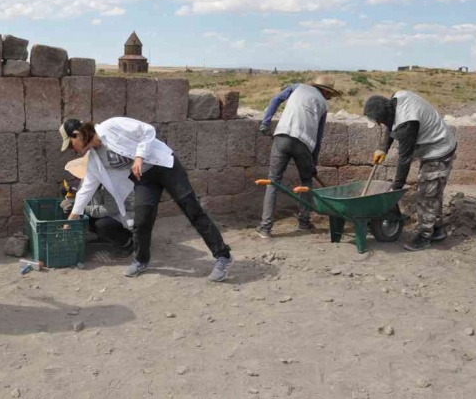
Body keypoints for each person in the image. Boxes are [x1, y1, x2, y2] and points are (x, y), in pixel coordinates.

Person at [59, 117, 233, 282]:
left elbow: (148, 130)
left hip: (165, 166)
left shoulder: (111, 126)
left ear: (77, 134)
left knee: (192, 210)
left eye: (71, 145)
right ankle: (141, 260)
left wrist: (139, 157)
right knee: (142, 220)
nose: (72, 150)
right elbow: (87, 189)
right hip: (144, 177)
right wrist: (71, 220)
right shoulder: (95, 159)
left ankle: (223, 256)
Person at [363, 90, 457, 251]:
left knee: (427, 194)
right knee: (433, 191)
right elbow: (391, 123)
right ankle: (437, 229)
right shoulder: (396, 98)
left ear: (385, 114)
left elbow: (404, 159)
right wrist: (383, 148)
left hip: (439, 149)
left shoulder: (408, 122)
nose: (379, 124)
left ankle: (424, 236)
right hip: (431, 147)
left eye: (379, 121)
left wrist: (395, 189)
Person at [256, 75, 342, 238]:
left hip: (282, 136)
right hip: (304, 143)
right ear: (325, 91)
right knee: (306, 182)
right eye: (329, 94)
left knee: (273, 182)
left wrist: (265, 122)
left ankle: (265, 228)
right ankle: (303, 222)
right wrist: (313, 163)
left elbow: (275, 100)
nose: (329, 97)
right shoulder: (323, 104)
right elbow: (319, 135)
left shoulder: (297, 87)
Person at [60, 154, 135, 252]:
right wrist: (71, 201)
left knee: (102, 225)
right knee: (85, 217)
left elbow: (111, 209)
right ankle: (105, 237)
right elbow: (84, 196)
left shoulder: (110, 182)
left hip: (124, 216)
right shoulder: (90, 177)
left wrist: (82, 209)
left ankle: (127, 243)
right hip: (106, 211)